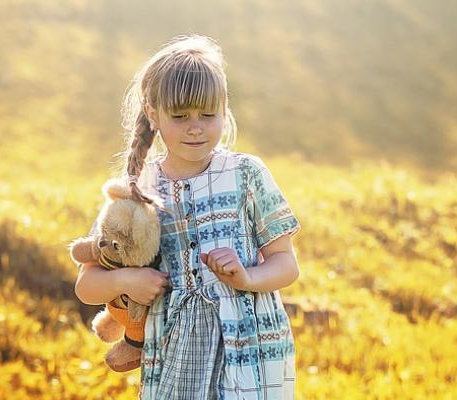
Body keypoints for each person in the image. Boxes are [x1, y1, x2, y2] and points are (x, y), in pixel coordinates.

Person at [74, 34, 301, 400]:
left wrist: (247, 276)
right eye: (180, 117)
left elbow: (286, 264)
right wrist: (128, 280)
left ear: (224, 109)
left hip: (252, 354)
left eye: (207, 114)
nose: (195, 127)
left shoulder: (246, 174)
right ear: (153, 114)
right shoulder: (137, 190)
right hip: (175, 357)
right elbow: (86, 285)